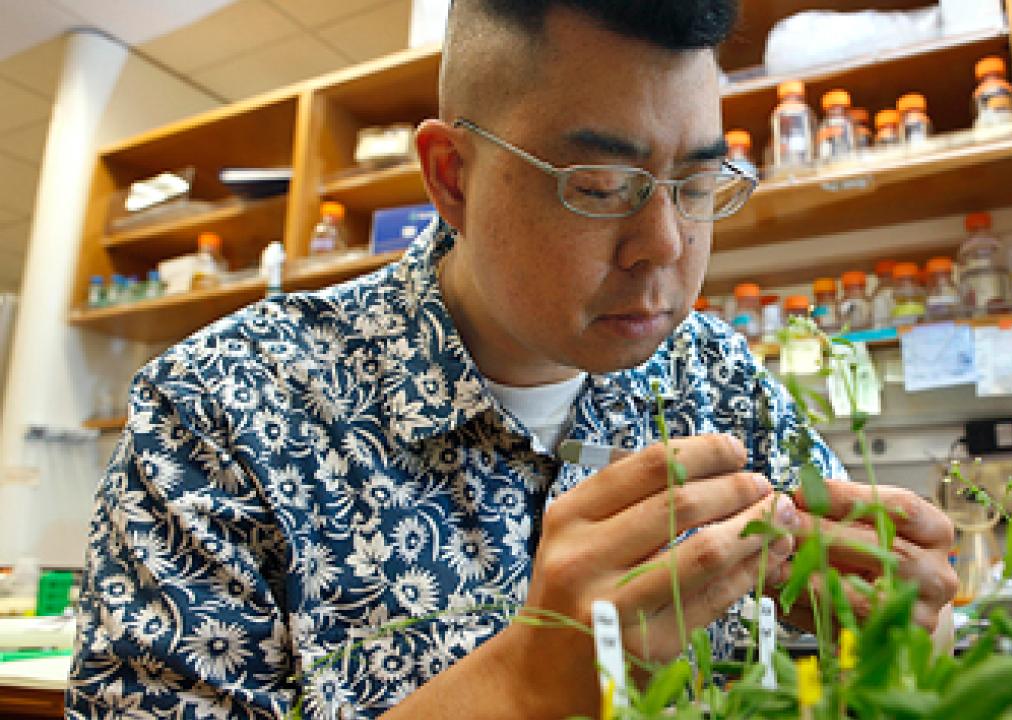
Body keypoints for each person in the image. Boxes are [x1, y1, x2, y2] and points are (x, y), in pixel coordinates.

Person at [66, 1, 957, 717]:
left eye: (695, 185)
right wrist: (526, 685)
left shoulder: (722, 381)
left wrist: (901, 639)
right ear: (452, 176)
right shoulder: (217, 412)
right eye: (599, 188)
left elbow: (868, 659)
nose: (664, 244)